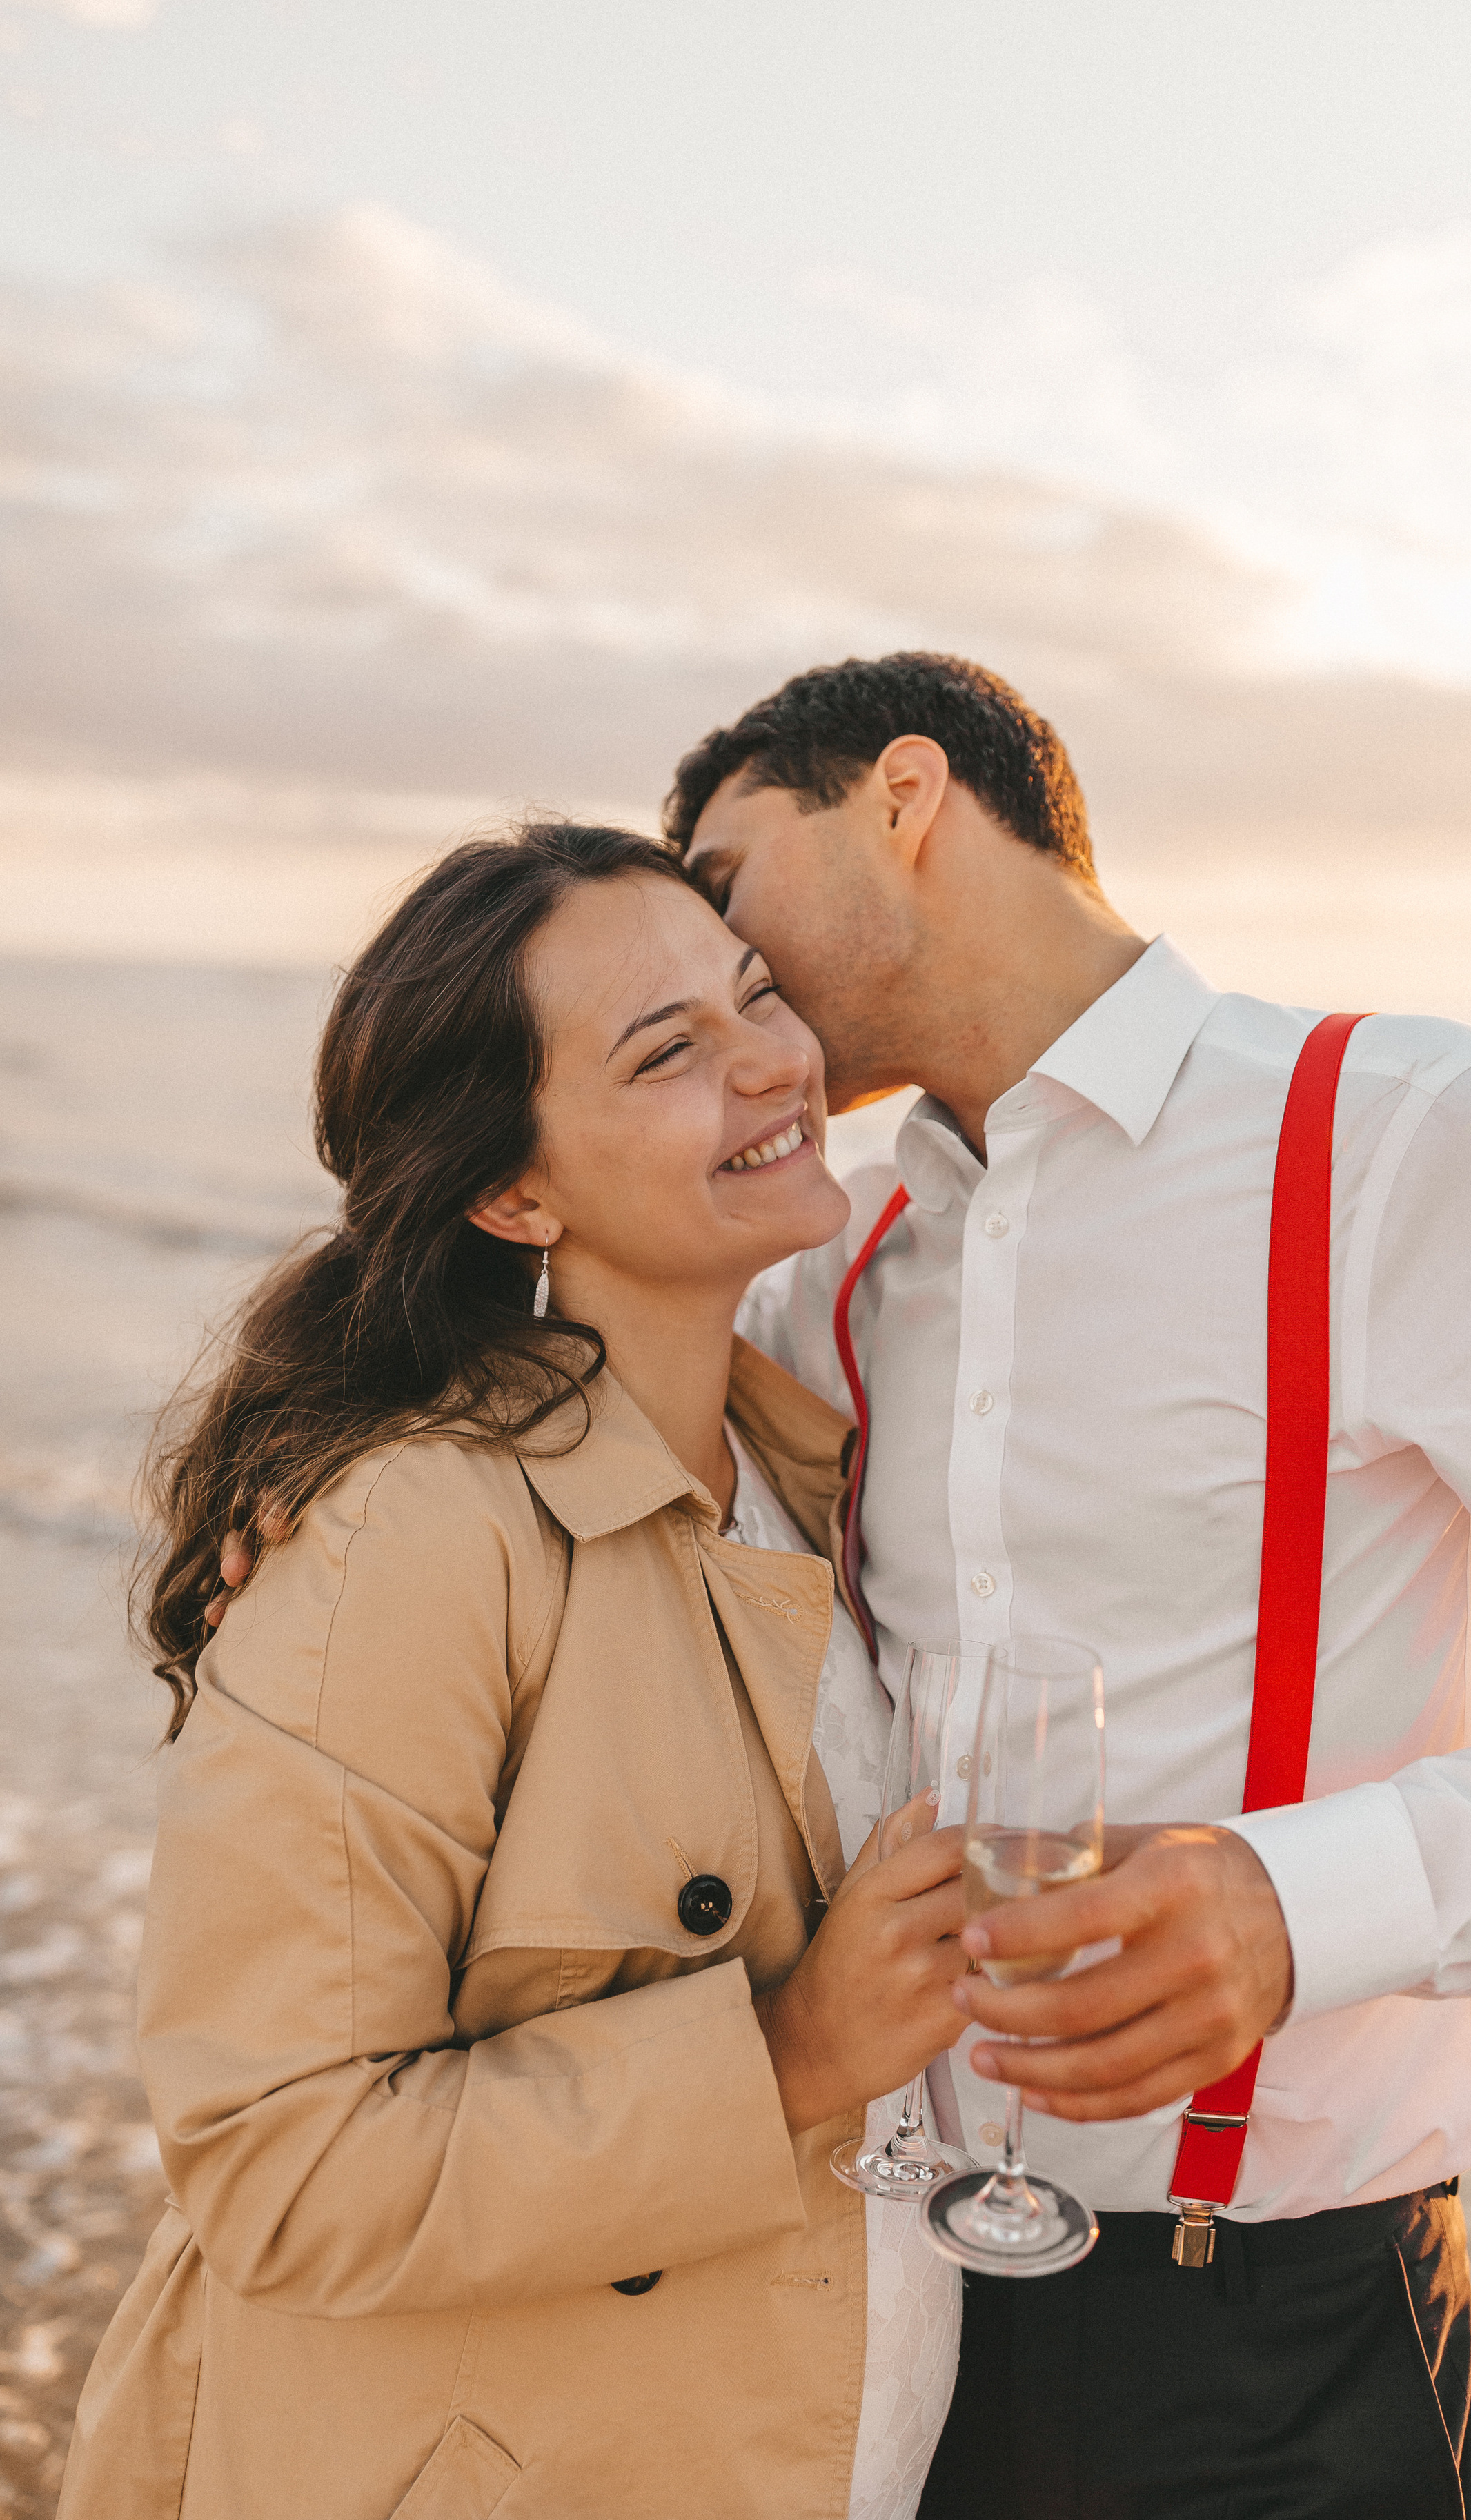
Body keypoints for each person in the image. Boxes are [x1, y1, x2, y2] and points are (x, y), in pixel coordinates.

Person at [667, 651, 1471, 2520]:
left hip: (1267, 2337)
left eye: (724, 882)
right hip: (892, 2308)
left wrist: (1292, 1905)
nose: (713, 968)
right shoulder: (840, 1270)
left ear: (905, 798)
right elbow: (569, 1443)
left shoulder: (1407, 1131)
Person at [59, 822, 969, 2520]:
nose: (771, 1061)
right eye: (667, 1049)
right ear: (516, 1191)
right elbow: (283, 2160)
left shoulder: (811, 1475)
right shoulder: (414, 1533)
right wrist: (789, 2054)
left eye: (754, 993)